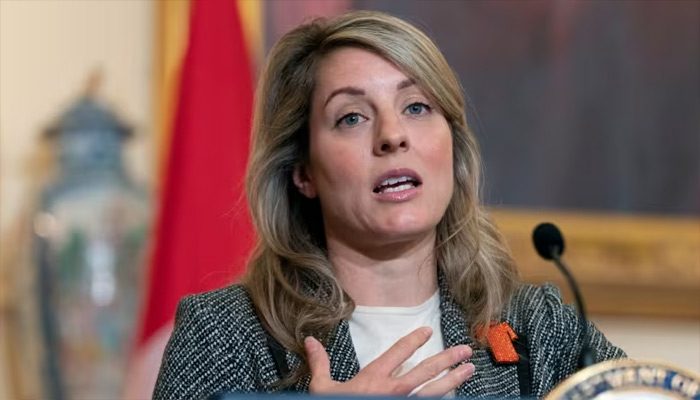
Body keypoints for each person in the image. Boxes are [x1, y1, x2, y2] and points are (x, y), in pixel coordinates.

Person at [153, 10, 624, 399]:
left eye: (416, 107)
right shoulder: (226, 333)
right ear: (303, 172)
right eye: (352, 117)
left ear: (452, 147)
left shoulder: (539, 329)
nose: (392, 135)